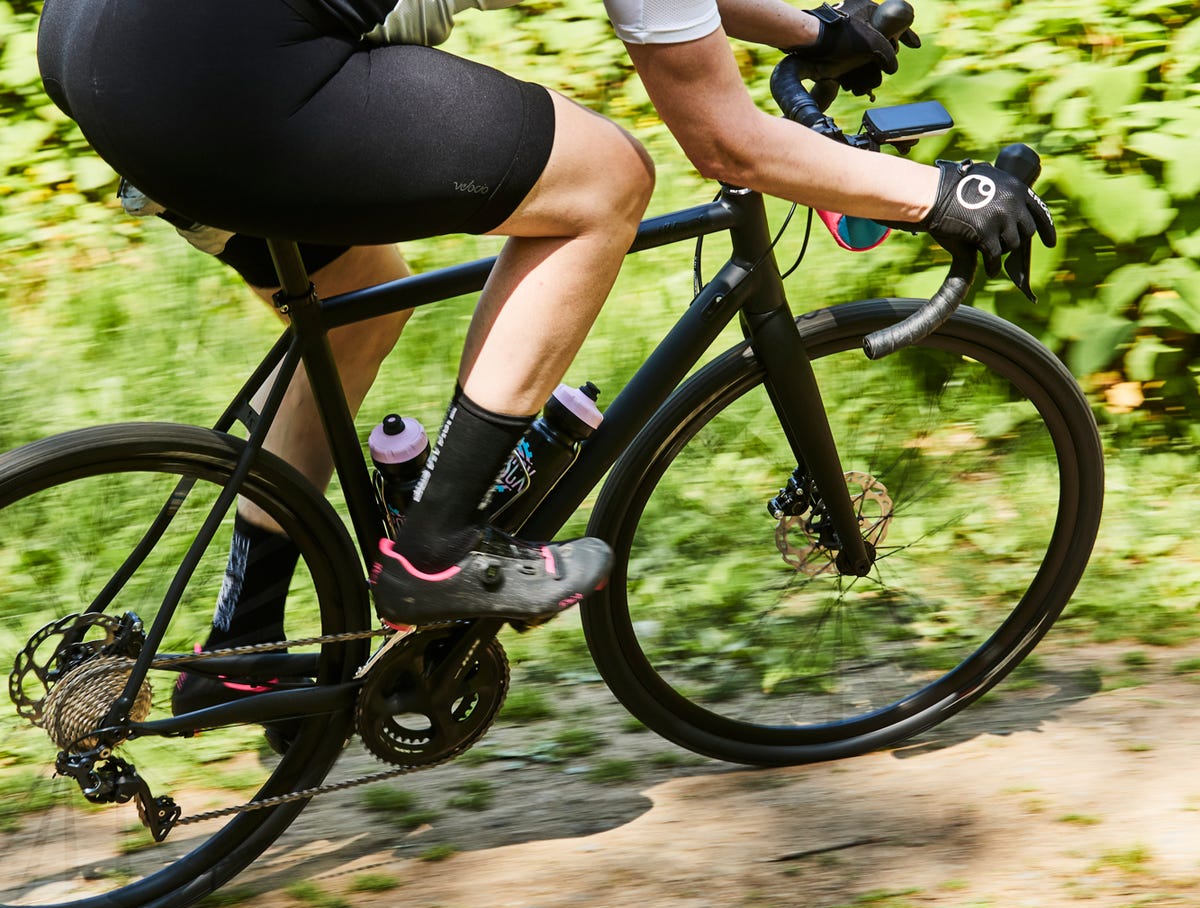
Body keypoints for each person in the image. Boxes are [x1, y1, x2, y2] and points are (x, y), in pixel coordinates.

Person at [37, 0, 1053, 649]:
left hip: (107, 47)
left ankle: (243, 654)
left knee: (356, 294)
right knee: (608, 177)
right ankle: (436, 546)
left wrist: (811, 33)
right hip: (220, 77)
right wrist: (940, 193)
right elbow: (729, 143)